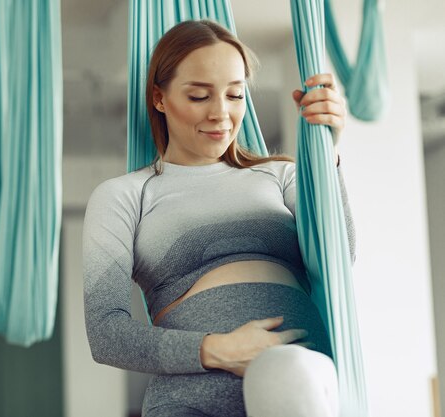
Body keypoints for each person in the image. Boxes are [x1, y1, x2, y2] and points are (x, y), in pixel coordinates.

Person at [83, 19, 355, 417]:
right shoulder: (125, 196)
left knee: (287, 368)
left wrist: (326, 157)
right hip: (187, 402)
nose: (221, 114)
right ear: (159, 98)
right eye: (198, 96)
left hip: (299, 385)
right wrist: (218, 349)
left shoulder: (281, 175)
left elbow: (339, 261)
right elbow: (106, 334)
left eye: (235, 94)